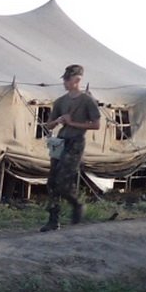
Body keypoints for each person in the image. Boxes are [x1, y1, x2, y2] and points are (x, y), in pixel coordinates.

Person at [41, 64, 101, 231]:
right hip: (60, 141)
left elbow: (96, 125)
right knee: (52, 181)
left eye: (68, 79)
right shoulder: (61, 101)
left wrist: (72, 122)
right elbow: (49, 125)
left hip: (76, 141)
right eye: (65, 79)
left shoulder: (87, 101)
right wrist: (58, 120)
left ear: (77, 79)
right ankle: (53, 219)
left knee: (63, 181)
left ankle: (76, 204)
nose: (65, 82)